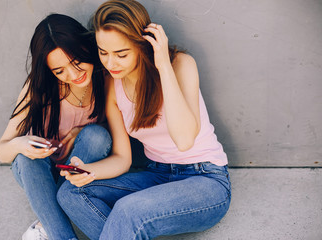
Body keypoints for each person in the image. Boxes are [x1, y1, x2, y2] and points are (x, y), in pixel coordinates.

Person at [57, 0, 231, 239]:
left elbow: (184, 140)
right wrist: (87, 170)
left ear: (142, 45)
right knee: (70, 193)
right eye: (103, 52)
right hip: (156, 176)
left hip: (205, 181)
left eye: (121, 54)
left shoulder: (180, 65)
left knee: (129, 211)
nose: (110, 63)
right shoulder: (112, 83)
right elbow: (122, 158)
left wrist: (162, 66)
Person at [0, 13, 113, 240]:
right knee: (26, 157)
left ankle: (45, 219)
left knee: (97, 135)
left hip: (79, 167)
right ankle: (62, 235)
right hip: (39, 173)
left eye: (77, 62)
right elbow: (1, 151)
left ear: (86, 49)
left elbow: (111, 134)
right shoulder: (38, 87)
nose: (73, 75)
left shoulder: (104, 78)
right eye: (59, 71)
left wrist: (81, 131)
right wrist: (21, 143)